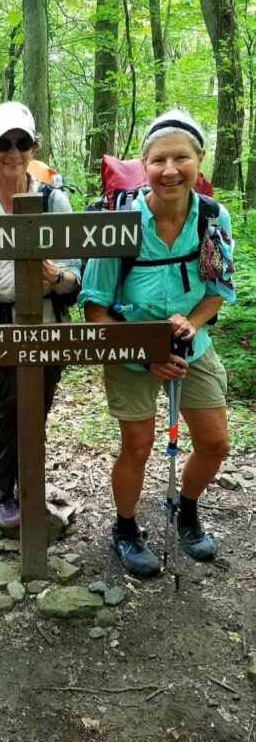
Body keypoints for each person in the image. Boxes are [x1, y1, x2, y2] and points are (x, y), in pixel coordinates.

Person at [80, 109, 235, 577]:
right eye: (159, 160)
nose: (170, 170)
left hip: (193, 345)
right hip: (129, 352)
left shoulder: (212, 216)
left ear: (199, 160)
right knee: (139, 445)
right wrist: (146, 357)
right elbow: (94, 309)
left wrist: (190, 322)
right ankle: (125, 528)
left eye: (181, 158)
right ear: (144, 165)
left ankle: (185, 510)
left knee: (215, 443)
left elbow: (217, 291)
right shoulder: (122, 223)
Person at [0, 101, 82, 529]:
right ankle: (6, 493)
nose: (13, 151)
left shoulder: (53, 200)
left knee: (36, 408)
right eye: (3, 143)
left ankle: (29, 489)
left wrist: (54, 274)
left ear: (33, 147)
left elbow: (76, 276)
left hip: (46, 323)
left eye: (21, 142)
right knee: (12, 405)